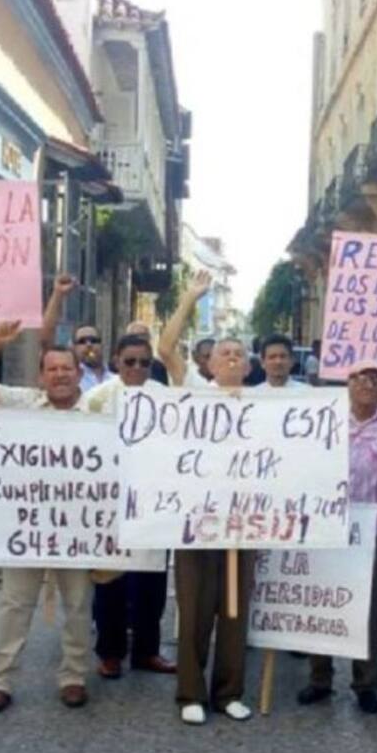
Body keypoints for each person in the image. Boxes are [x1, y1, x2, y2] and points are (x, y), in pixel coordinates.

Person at [0, 322, 95, 714]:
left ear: (78, 373)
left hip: (76, 527)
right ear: (42, 376)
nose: (60, 375)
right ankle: (0, 680)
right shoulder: (23, 402)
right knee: (14, 603)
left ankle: (73, 676)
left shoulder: (100, 411)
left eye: (66, 369)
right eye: (52, 369)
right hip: (27, 524)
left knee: (78, 605)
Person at [297, 351, 377, 714]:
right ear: (348, 382)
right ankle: (320, 678)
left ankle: (365, 682)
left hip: (376, 527)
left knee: (370, 607)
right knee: (323, 599)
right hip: (327, 523)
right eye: (360, 377)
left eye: (376, 379)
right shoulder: (325, 414)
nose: (367, 384)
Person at [157, 271, 254, 726]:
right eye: (224, 354)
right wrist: (190, 299)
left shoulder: (268, 408)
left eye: (238, 354)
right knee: (194, 608)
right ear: (210, 364)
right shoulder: (195, 392)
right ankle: (190, 693)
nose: (232, 359)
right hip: (196, 521)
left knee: (235, 611)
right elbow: (165, 350)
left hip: (247, 523)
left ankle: (229, 691)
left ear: (247, 367)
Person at [81, 334, 175, 679]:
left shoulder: (166, 399)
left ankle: (147, 651)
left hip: (154, 502)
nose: (137, 368)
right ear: (116, 361)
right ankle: (110, 652)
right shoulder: (95, 399)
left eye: (144, 362)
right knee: (110, 582)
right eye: (129, 361)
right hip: (109, 502)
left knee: (152, 579)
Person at [125, 319, 169, 386]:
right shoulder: (117, 365)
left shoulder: (159, 367)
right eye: (135, 336)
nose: (140, 339)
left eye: (144, 336)